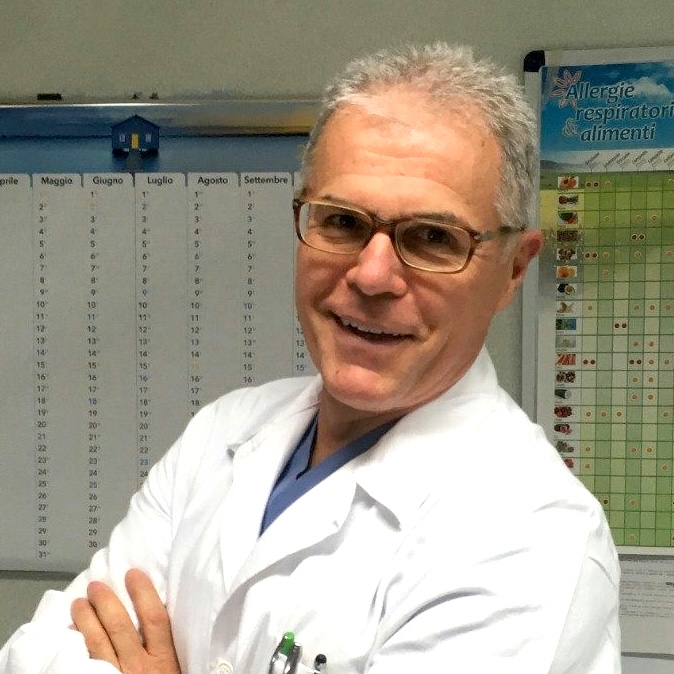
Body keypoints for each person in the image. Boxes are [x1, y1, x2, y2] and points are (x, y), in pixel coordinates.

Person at [0, 43, 620, 674]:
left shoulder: (530, 537)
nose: (372, 275)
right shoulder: (223, 434)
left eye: (434, 237)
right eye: (343, 222)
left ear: (513, 268)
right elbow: (39, 652)